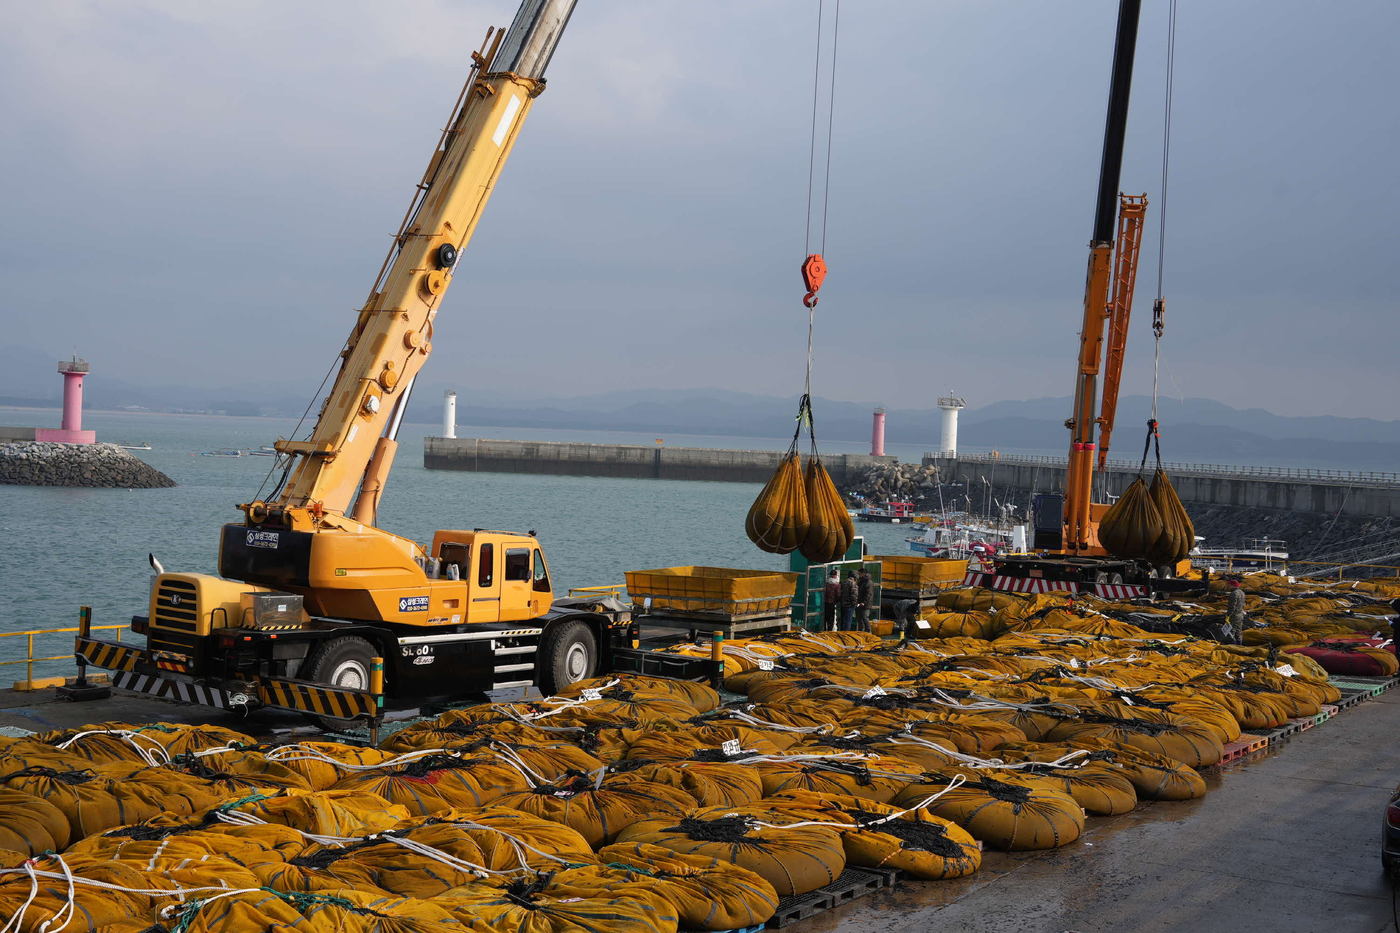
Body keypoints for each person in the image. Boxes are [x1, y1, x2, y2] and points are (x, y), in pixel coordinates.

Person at [1225, 577, 1247, 645]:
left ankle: (1232, 646)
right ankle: (1239, 645)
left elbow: (1232, 606)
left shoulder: (1233, 594)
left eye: (1229, 585)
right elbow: (1243, 604)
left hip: (1234, 615)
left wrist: (1228, 615)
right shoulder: (1242, 592)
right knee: (1238, 631)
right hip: (1240, 615)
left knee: (1231, 632)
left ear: (1232, 585)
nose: (1228, 586)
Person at [855, 567, 873, 632]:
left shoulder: (868, 582)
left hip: (865, 604)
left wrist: (864, 602)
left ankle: (868, 631)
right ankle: (860, 631)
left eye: (859, 573)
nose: (858, 575)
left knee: (865, 618)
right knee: (859, 618)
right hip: (859, 602)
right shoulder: (861, 581)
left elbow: (868, 594)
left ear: (863, 573)